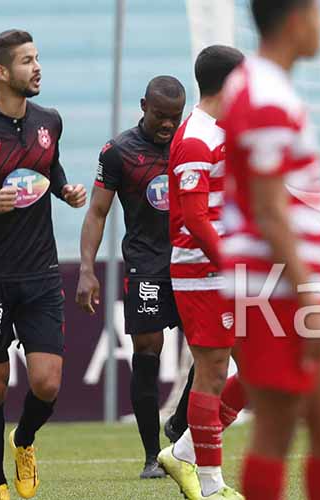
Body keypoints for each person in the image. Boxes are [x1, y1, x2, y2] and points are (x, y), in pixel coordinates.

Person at [221, 1, 320, 499]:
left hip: (282, 289)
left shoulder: (262, 87)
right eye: (319, 15)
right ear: (297, 20)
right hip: (276, 292)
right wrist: (309, 298)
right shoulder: (265, 96)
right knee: (278, 431)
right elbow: (270, 210)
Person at [0, 29, 87, 500]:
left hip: (40, 273)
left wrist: (65, 190)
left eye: (37, 58)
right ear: (0, 72)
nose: (36, 68)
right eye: (26, 61)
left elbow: (47, 170)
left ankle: (25, 440)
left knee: (47, 383)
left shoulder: (49, 121)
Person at [76, 75, 186, 479]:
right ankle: (152, 455)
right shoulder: (119, 152)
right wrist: (86, 269)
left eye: (175, 117)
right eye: (160, 116)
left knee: (214, 344)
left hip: (190, 260)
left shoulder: (189, 144)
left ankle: (180, 421)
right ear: (143, 105)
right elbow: (98, 212)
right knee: (146, 354)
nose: (168, 125)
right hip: (146, 267)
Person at [158, 45, 247, 500]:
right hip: (204, 274)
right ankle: (211, 487)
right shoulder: (196, 138)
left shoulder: (224, 131)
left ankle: (185, 449)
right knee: (211, 373)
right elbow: (194, 218)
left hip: (232, 270)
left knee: (263, 368)